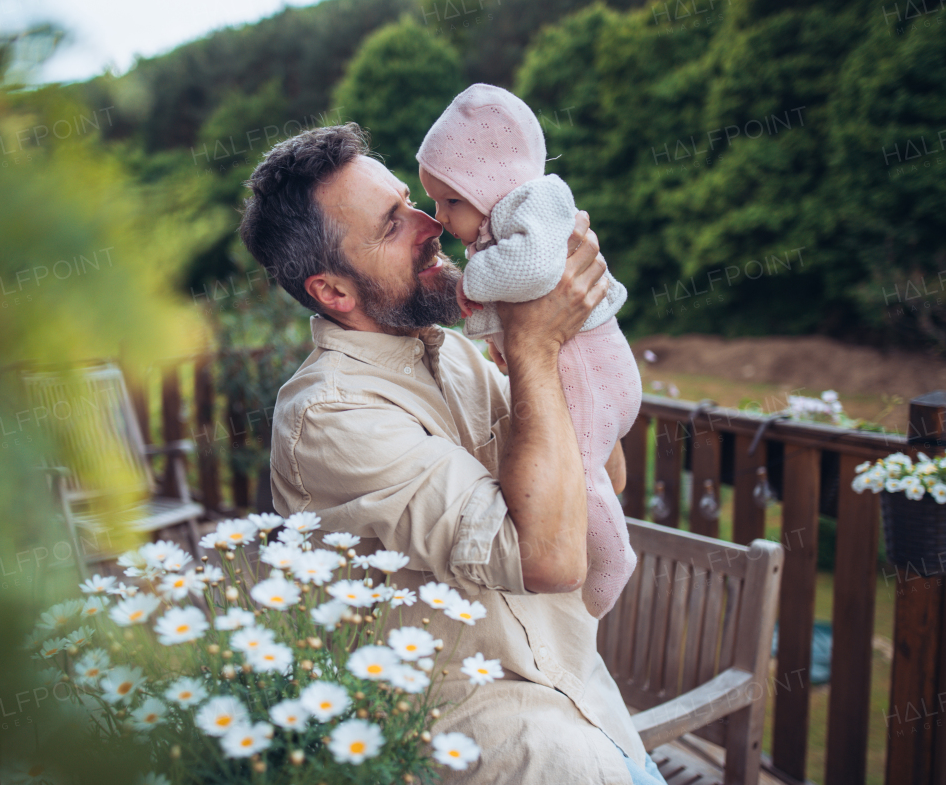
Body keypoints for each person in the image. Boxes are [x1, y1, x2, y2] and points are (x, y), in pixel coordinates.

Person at [239, 122, 666, 784]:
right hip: (502, 747)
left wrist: (578, 333)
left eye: (410, 199)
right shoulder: (329, 416)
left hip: (592, 707)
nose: (430, 223)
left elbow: (603, 475)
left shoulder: (460, 354)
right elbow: (552, 559)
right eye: (390, 225)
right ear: (333, 291)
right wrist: (533, 347)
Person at [417, 82, 642, 620]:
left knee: (586, 474)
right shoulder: (505, 224)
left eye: (451, 200)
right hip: (581, 368)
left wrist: (470, 281)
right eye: (433, 201)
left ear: (491, 182)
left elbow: (534, 271)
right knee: (589, 469)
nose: (440, 218)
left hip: (588, 369)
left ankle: (615, 562)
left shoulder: (537, 200)